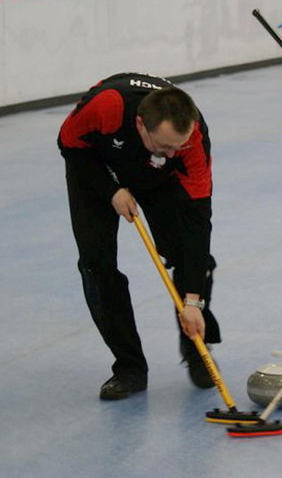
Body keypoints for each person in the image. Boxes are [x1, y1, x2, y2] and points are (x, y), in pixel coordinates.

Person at [58, 73, 221, 400]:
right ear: (140, 125)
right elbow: (69, 144)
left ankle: (195, 347)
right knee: (96, 264)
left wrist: (192, 300)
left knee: (192, 258)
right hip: (98, 166)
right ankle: (129, 367)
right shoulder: (107, 107)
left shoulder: (191, 141)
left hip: (159, 180)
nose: (173, 152)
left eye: (179, 146)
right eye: (163, 145)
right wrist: (111, 191)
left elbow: (198, 221)